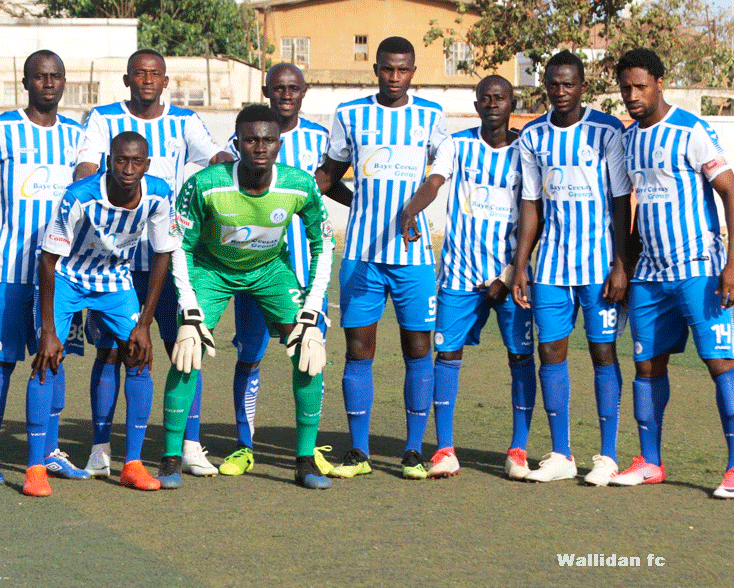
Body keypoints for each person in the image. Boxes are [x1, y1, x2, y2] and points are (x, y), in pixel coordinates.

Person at [157, 104, 335, 490]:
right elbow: (179, 245)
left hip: (270, 271)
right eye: (251, 140)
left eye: (268, 140)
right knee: (188, 347)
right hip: (212, 270)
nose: (260, 147)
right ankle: (171, 456)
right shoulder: (205, 183)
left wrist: (312, 307)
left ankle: (305, 458)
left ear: (279, 145)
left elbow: (323, 243)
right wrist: (189, 306)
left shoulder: (299, 184)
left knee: (308, 345)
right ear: (237, 144)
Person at [75, 49, 232, 478]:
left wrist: (237, 170)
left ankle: (188, 445)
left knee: (183, 349)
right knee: (111, 353)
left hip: (171, 262)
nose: (147, 79)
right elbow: (85, 167)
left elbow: (216, 157)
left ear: (165, 81)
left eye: (155, 73)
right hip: (114, 266)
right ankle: (101, 449)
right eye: (140, 73)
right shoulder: (104, 118)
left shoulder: (184, 121)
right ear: (127, 80)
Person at [314, 36, 447, 479]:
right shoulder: (349, 115)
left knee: (419, 349)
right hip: (361, 255)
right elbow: (328, 177)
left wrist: (408, 211)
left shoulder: (431, 116)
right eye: (387, 69)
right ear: (375, 69)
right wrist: (360, 205)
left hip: (414, 256)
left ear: (413, 72)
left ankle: (412, 451)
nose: (394, 77)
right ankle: (359, 453)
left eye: (403, 69)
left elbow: (437, 178)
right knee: (358, 350)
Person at [610, 48, 734, 497]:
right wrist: (623, 266)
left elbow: (730, 192)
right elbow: (627, 209)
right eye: (626, 87)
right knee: (646, 364)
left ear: (660, 83)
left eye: (640, 86)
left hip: (699, 269)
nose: (632, 95)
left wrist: (732, 264)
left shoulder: (691, 130)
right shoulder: (627, 140)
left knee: (720, 363)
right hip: (649, 273)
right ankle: (650, 461)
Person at [400, 75, 536, 480]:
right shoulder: (457, 145)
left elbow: (538, 213)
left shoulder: (527, 150)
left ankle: (518, 451)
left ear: (512, 104)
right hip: (459, 275)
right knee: (447, 355)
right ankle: (444, 450)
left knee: (520, 357)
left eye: (500, 98)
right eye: (485, 99)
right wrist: (411, 210)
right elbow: (434, 182)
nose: (492, 104)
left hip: (512, 278)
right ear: (476, 105)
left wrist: (509, 274)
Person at [30, 131, 174, 496]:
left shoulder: (159, 194)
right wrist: (48, 330)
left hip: (114, 281)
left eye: (136, 161)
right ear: (109, 161)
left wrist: (144, 323)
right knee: (47, 359)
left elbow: (163, 253)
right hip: (67, 277)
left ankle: (132, 464)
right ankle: (35, 468)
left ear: (147, 165)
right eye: (121, 160)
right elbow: (47, 260)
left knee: (139, 355)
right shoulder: (79, 195)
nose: (128, 169)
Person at [218, 63, 346, 476]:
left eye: (293, 87)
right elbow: (225, 173)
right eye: (278, 88)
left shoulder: (319, 139)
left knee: (309, 356)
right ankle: (243, 445)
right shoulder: (245, 136)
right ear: (267, 91)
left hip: (306, 272)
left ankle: (307, 450)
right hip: (257, 267)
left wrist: (367, 205)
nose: (286, 94)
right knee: (250, 356)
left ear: (304, 91)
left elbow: (330, 184)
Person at [511, 50, 632, 485]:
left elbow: (622, 201)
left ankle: (608, 456)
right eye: (553, 84)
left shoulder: (608, 130)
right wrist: (521, 265)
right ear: (545, 85)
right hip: (551, 268)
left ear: (582, 86)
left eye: (569, 84)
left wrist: (621, 263)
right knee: (550, 352)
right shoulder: (533, 136)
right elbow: (531, 203)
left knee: (603, 352)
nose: (560, 91)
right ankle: (561, 453)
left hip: (599, 268)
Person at [0, 50, 88, 485]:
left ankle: (49, 450)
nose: (48, 83)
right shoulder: (0, 129)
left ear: (64, 81)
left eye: (56, 76)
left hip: (61, 277)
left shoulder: (76, 136)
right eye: (40, 76)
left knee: (54, 360)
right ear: (26, 82)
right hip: (8, 270)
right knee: (2, 362)